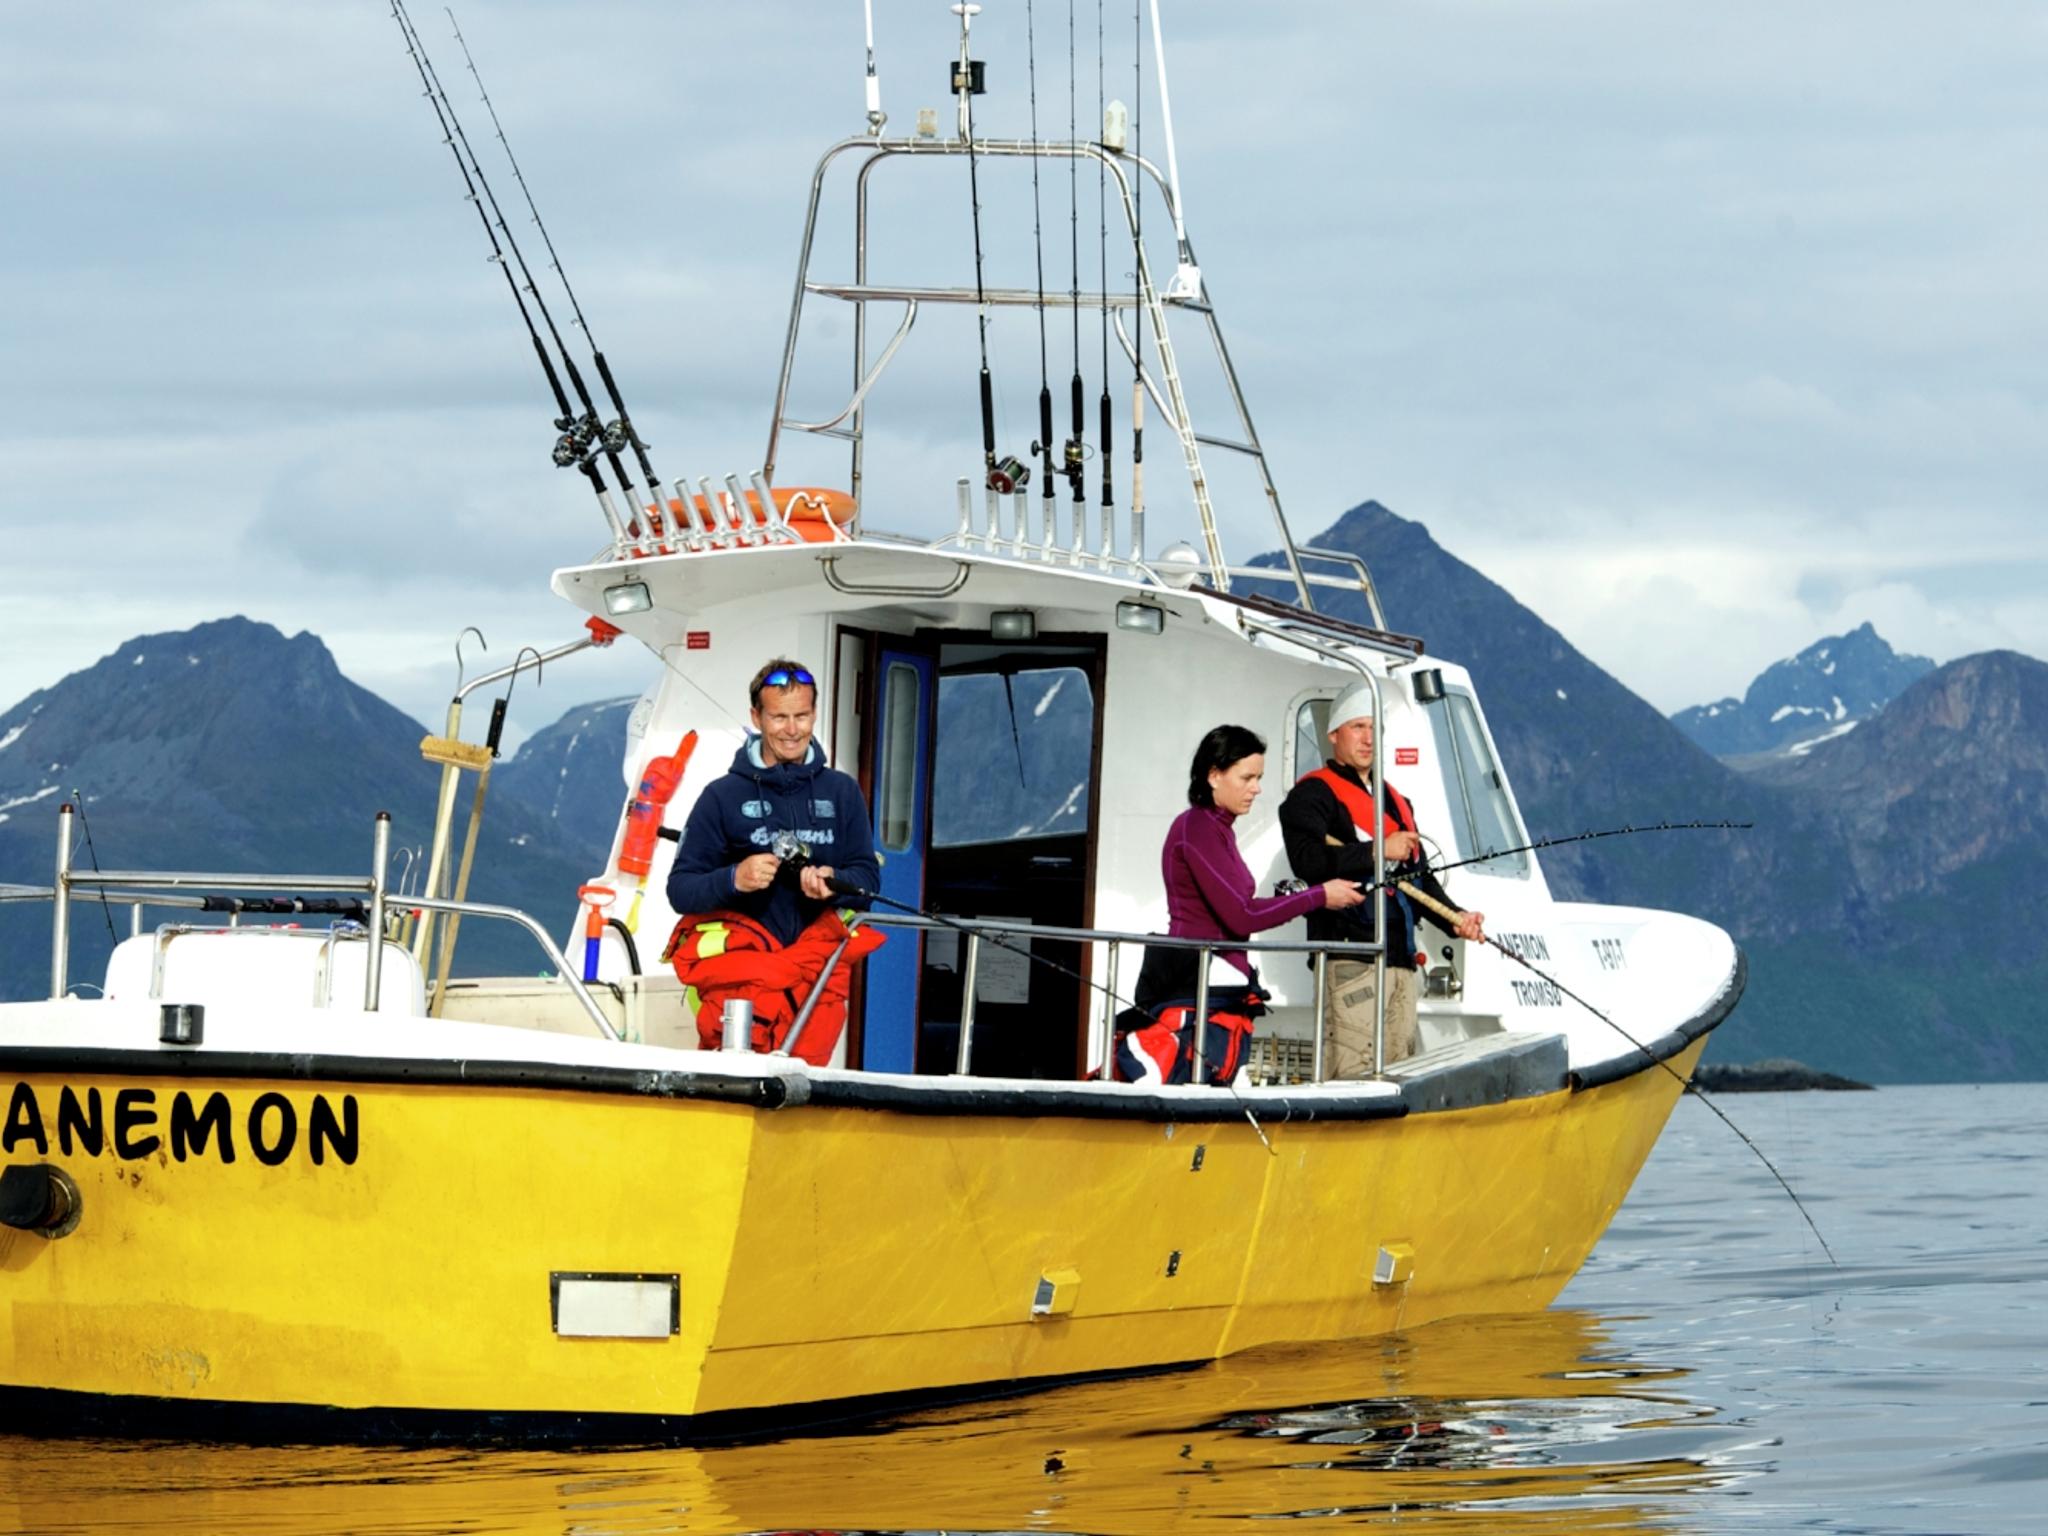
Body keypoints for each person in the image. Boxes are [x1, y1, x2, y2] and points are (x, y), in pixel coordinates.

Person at [1120, 724, 1363, 1085]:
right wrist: (1318, 895)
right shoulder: (1197, 826)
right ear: (1214, 775)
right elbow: (1241, 914)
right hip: (1200, 983)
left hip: (1220, 989)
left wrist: (1300, 898)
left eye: (1259, 777)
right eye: (1247, 777)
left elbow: (1237, 908)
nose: (1257, 788)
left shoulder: (1219, 829)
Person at [1279, 681, 1485, 1077]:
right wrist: (1378, 851)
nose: (1368, 739)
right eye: (1358, 727)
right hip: (1349, 961)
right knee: (1351, 1076)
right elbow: (1307, 861)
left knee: (1398, 1075)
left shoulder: (1397, 801)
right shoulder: (1312, 796)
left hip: (1401, 961)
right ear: (1334, 734)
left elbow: (1421, 880)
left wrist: (1456, 919)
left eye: (1375, 729)